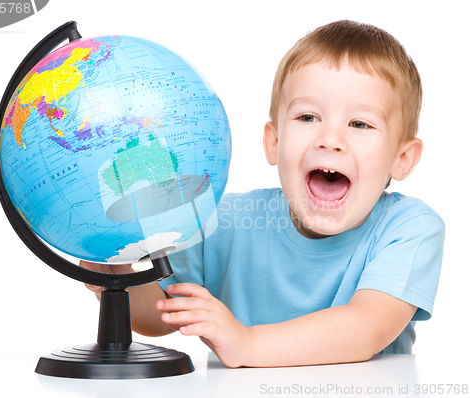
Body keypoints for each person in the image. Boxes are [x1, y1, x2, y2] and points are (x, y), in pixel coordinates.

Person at [82, 20, 445, 368]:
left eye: (359, 124)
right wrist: (114, 278)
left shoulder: (409, 228)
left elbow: (366, 327)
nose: (330, 140)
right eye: (307, 117)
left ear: (402, 159)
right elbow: (162, 314)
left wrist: (247, 343)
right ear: (273, 142)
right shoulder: (225, 221)